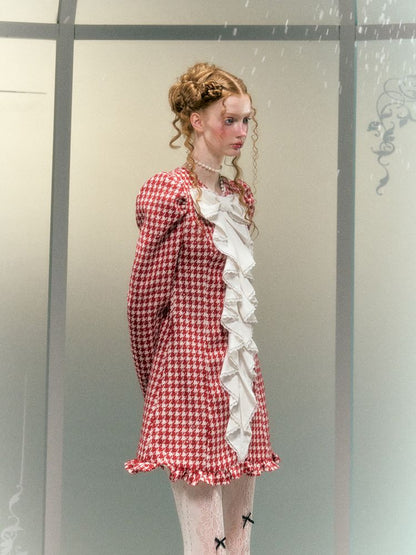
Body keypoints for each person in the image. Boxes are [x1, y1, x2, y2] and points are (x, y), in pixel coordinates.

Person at [125, 62, 279, 554]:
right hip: (188, 378)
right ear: (196, 121)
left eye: (246, 120)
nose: (240, 131)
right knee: (206, 545)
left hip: (238, 381)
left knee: (240, 540)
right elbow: (143, 303)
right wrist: (159, 388)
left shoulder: (237, 196)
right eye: (229, 119)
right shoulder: (170, 194)